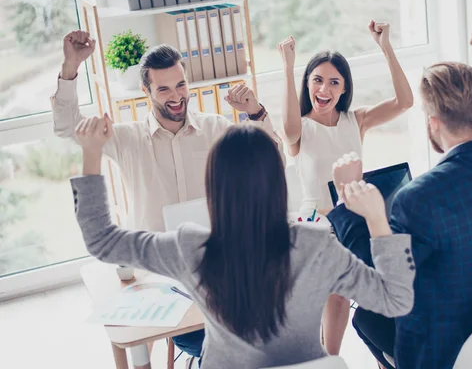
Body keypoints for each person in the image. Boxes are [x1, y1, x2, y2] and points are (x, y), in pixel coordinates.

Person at [70, 122, 416, 369]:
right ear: (278, 183)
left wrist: (91, 154)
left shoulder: (191, 247)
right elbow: (396, 298)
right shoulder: (315, 245)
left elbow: (102, 240)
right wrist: (375, 220)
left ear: (215, 187)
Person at [327, 24, 472, 369]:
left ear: (434, 122)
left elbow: (383, 284)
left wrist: (347, 199)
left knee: (366, 318)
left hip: (451, 351)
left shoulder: (418, 199)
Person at [51, 30, 285, 367]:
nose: (176, 97)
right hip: (157, 276)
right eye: (163, 89)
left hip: (217, 267)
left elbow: (270, 158)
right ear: (146, 91)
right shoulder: (127, 138)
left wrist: (256, 113)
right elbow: (66, 127)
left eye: (180, 85)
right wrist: (70, 67)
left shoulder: (214, 128)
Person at [278, 21, 414, 354]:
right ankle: (331, 358)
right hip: (316, 225)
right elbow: (288, 127)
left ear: (343, 89)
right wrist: (288, 67)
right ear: (308, 84)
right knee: (337, 289)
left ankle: (388, 351)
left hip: (354, 222)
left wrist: (385, 46)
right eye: (317, 80)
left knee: (389, 276)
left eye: (333, 82)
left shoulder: (357, 120)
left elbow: (405, 101)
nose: (324, 89)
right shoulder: (301, 129)